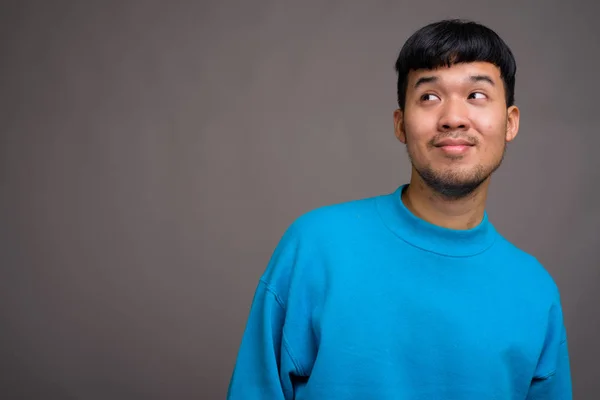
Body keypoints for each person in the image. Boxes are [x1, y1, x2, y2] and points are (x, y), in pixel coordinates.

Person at [227, 19, 572, 399]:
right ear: (400, 125)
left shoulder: (535, 292)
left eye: (476, 95)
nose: (453, 117)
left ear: (509, 123)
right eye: (429, 97)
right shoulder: (315, 248)